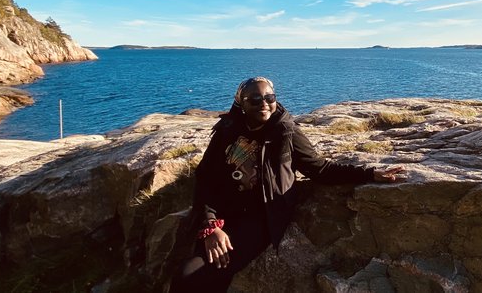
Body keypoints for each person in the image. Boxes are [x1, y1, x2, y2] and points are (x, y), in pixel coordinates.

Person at [171, 77, 403, 292]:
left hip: (261, 217)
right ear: (241, 103)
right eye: (255, 99)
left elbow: (320, 168)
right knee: (191, 275)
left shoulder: (286, 132)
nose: (264, 104)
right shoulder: (227, 131)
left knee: (196, 274)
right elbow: (206, 178)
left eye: (269, 98)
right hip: (223, 213)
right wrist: (211, 225)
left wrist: (370, 174)